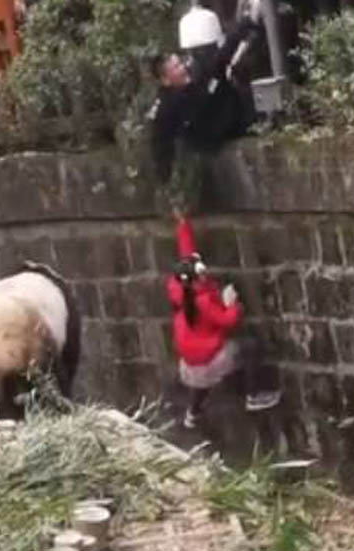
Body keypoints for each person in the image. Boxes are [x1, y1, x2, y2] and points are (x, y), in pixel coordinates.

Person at [167, 215, 282, 429]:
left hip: (189, 365)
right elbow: (228, 321)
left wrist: (183, 224)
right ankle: (254, 395)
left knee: (201, 383)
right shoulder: (202, 301)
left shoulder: (180, 290)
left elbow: (186, 253)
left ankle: (193, 412)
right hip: (208, 361)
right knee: (250, 347)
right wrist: (232, 303)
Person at [148, 6, 263, 193]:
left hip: (227, 122)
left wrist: (244, 25)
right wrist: (165, 180)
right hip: (207, 141)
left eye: (180, 64)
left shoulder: (197, 75)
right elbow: (159, 142)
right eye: (176, 68)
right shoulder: (166, 107)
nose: (182, 68)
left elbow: (221, 58)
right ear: (166, 79)